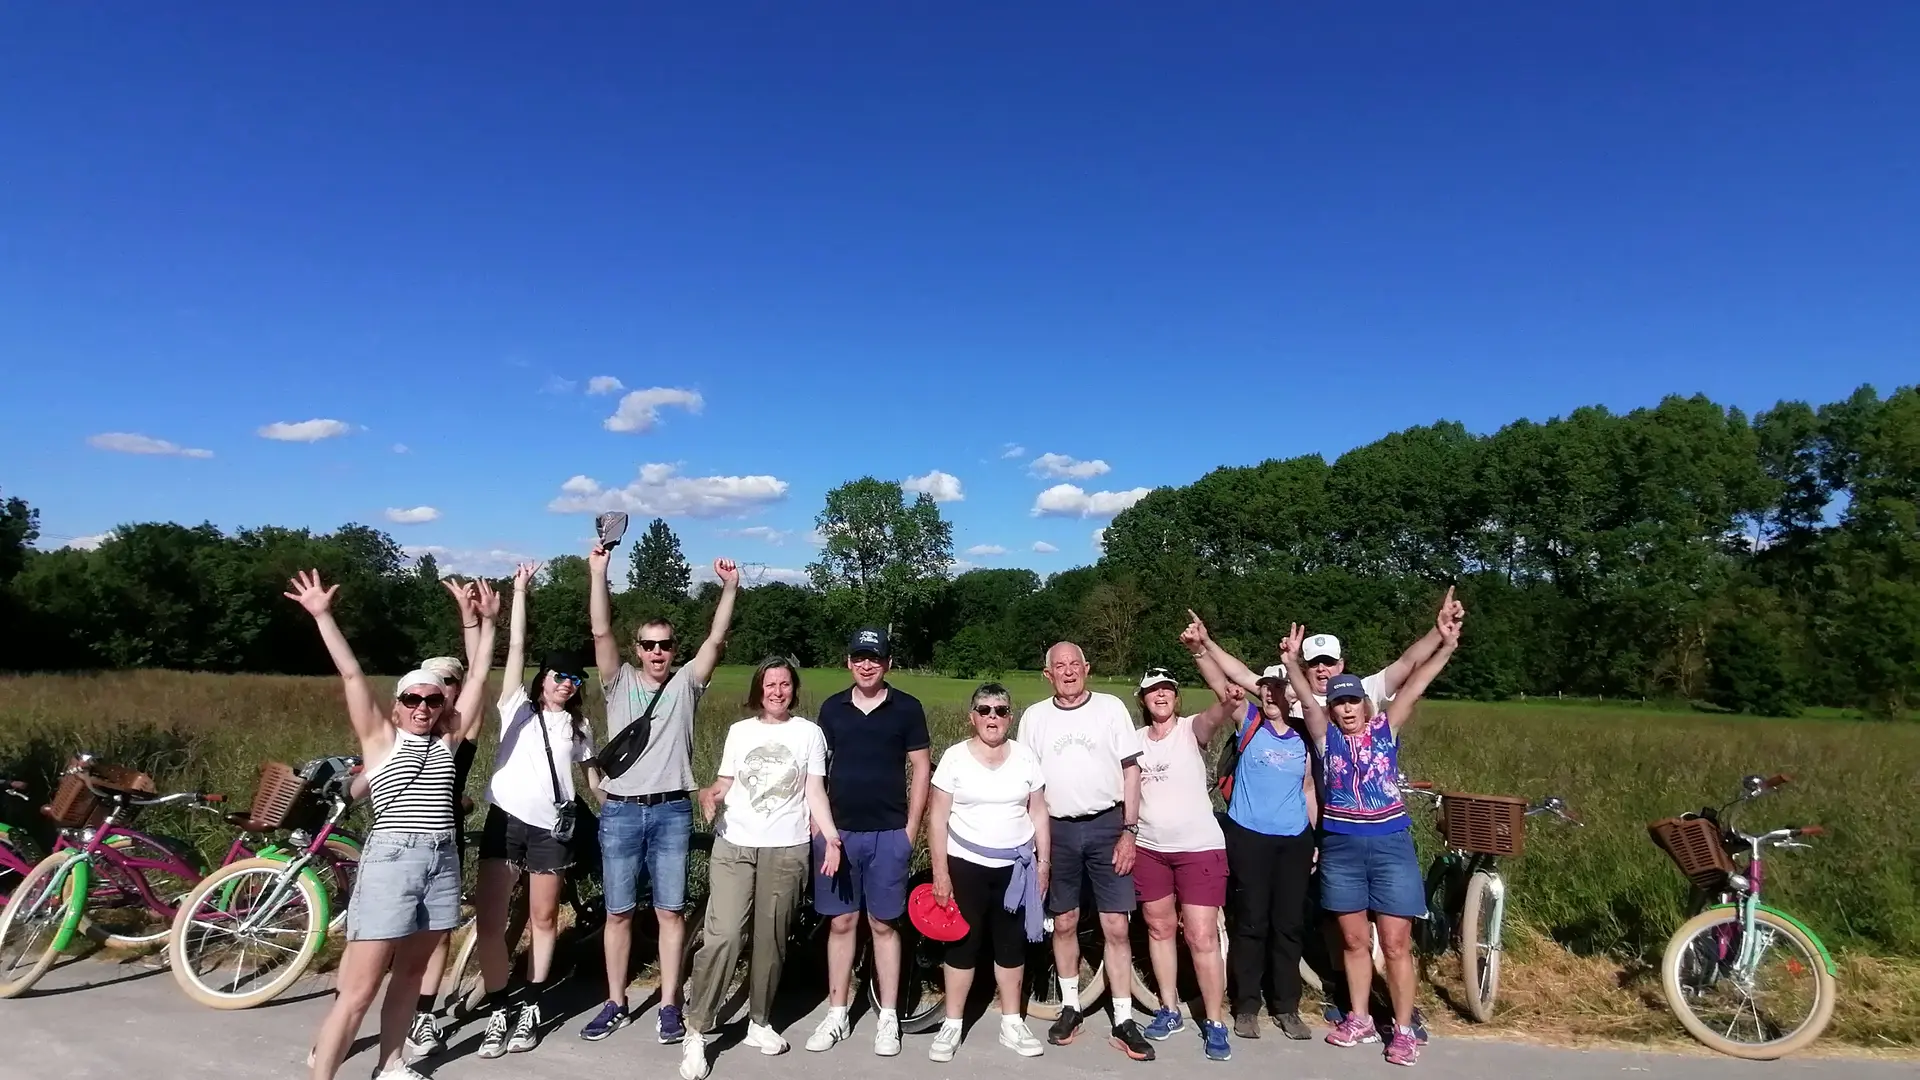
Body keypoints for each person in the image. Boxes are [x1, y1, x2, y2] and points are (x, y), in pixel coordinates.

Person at [286, 570, 495, 1080]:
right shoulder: (380, 741)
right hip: (391, 862)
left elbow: (480, 678)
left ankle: (390, 1064)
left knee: (411, 977)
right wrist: (323, 616)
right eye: (412, 700)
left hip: (441, 861)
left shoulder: (448, 742)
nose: (423, 706)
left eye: (432, 700)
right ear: (398, 708)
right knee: (359, 990)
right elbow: (353, 676)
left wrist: (488, 623)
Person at [1282, 607, 1463, 1068]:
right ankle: (1359, 1018)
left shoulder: (1386, 728)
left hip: (1390, 845)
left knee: (1397, 941)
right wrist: (1290, 664)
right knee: (1353, 941)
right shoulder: (1325, 737)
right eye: (1339, 702)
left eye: (1353, 701)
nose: (1345, 708)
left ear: (1366, 704)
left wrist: (1446, 644)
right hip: (1342, 846)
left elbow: (1416, 682)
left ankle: (1402, 1029)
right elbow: (1305, 696)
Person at [581, 547, 740, 1044]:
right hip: (622, 811)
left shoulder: (687, 685)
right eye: (649, 645)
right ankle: (615, 1001)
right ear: (636, 649)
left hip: (672, 809)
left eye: (665, 645)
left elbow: (715, 639)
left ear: (674, 649)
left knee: (670, 911)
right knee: (618, 912)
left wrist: (730, 589)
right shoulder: (617, 683)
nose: (657, 653)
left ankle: (670, 1003)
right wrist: (599, 573)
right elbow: (600, 631)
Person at [680, 658, 841, 1080]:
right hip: (735, 844)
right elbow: (726, 782)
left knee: (772, 939)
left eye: (785, 684)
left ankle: (759, 1022)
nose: (777, 690)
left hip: (787, 848)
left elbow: (815, 791)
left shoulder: (809, 733)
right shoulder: (740, 732)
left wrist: (832, 837)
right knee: (725, 934)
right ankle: (697, 1028)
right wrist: (711, 794)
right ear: (759, 689)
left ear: (794, 689)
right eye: (770, 684)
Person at [470, 562, 603, 1058]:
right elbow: (518, 649)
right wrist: (519, 593)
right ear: (542, 679)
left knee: (544, 919)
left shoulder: (580, 726)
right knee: (491, 921)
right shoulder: (516, 710)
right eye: (558, 676)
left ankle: (530, 1004)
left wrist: (614, 812)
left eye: (573, 678)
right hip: (505, 823)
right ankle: (499, 1006)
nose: (565, 684)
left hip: (552, 830)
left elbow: (592, 782)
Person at [1184, 611, 1320, 1043]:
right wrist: (1200, 648)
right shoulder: (1249, 724)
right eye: (1267, 689)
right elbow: (1220, 682)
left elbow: (1309, 791)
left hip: (1294, 841)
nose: (1272, 696)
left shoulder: (1305, 736)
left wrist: (1313, 840)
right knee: (1250, 922)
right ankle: (1246, 1006)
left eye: (1280, 690)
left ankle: (1287, 1006)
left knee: (1288, 924)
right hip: (1249, 838)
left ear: (1291, 695)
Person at [1017, 642, 1154, 1061]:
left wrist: (1129, 830)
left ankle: (1124, 1017)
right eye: (1060, 666)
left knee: (1115, 924)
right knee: (1064, 922)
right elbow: (1027, 784)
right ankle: (1071, 1007)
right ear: (1048, 675)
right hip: (1056, 830)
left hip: (1107, 825)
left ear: (1087, 668)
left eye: (1075, 664)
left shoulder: (1111, 708)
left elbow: (1132, 772)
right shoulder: (1034, 718)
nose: (1069, 671)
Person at [803, 627, 931, 1058]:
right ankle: (837, 1011)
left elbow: (921, 768)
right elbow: (815, 771)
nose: (866, 664)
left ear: (887, 663)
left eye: (874, 657)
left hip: (888, 835)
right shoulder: (832, 709)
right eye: (859, 657)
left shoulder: (907, 708)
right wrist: (819, 827)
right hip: (838, 836)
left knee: (883, 925)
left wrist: (910, 830)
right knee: (840, 924)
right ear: (849, 662)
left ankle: (888, 1017)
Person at [925, 682, 1051, 1062]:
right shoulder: (954, 758)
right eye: (984, 710)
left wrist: (1043, 863)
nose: (992, 717)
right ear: (972, 717)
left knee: (1011, 945)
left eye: (1000, 710)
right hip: (965, 865)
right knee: (962, 945)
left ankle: (1012, 1022)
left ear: (1010, 717)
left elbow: (1039, 811)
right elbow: (937, 819)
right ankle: (952, 1023)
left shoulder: (1026, 758)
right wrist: (940, 873)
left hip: (1016, 868)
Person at [1129, 660, 1241, 1062]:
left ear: (1176, 698)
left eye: (1168, 689)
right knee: (1159, 930)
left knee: (1201, 936)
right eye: (1153, 690)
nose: (1160, 695)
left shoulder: (1191, 729)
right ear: (1143, 699)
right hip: (1150, 848)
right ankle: (1169, 1009)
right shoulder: (1135, 739)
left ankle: (1214, 1021)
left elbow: (1214, 717)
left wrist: (1227, 702)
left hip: (1198, 849)